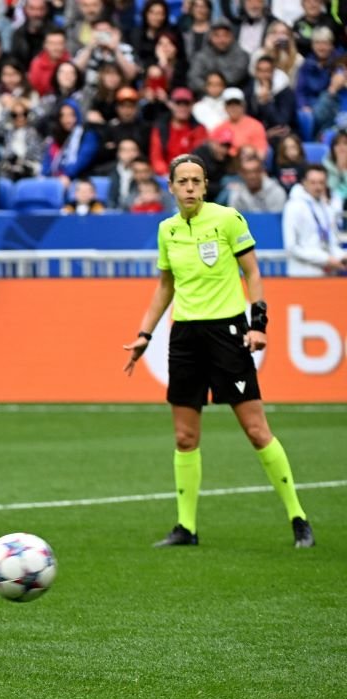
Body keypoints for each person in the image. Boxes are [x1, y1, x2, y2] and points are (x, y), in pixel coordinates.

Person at [123, 153, 315, 549]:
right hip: (185, 338)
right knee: (184, 436)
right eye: (183, 182)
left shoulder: (228, 219)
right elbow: (165, 287)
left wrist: (258, 325)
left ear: (206, 186)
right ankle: (186, 528)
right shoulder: (167, 230)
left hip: (228, 334)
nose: (190, 187)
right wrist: (145, 334)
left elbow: (254, 273)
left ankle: (298, 517)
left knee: (256, 430)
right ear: (171, 188)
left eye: (197, 181)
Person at [282, 164, 347, 276]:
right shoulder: (293, 206)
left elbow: (330, 242)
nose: (318, 187)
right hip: (301, 275)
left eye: (321, 182)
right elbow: (291, 247)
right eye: (313, 182)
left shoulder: (325, 207)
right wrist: (325, 259)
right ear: (304, 182)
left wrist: (342, 256)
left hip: (326, 275)